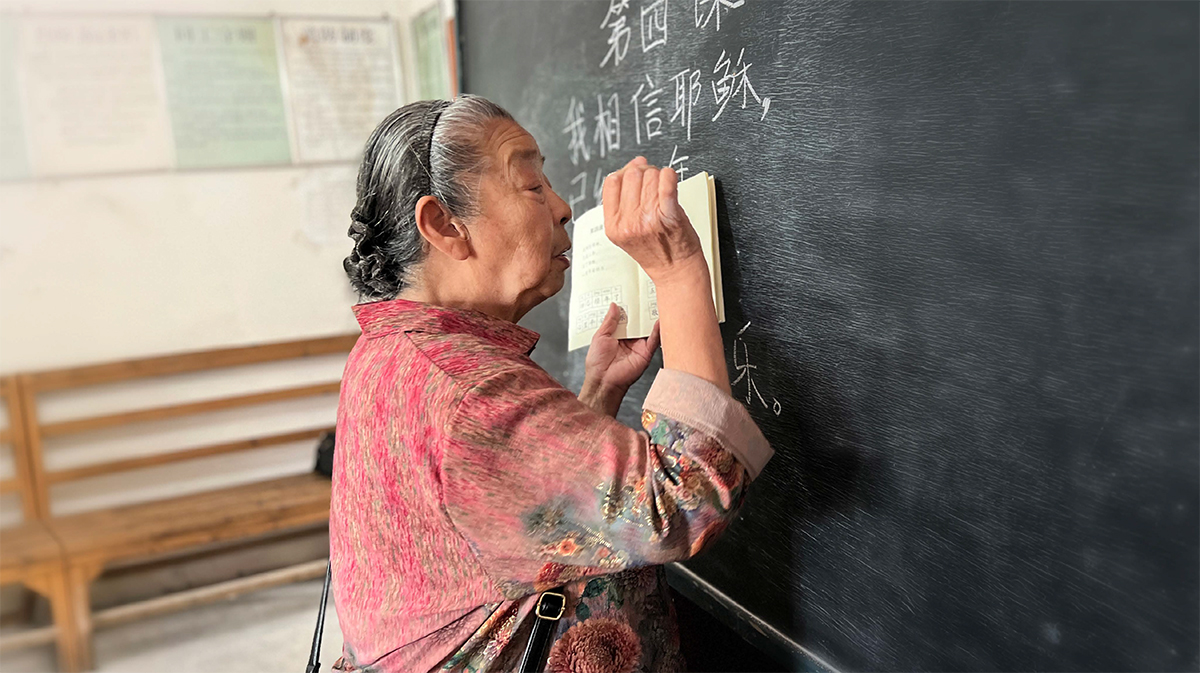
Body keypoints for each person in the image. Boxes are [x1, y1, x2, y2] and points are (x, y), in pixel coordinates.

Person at [330, 95, 773, 673]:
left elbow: (492, 508)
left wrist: (595, 400)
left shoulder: (392, 350)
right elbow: (685, 498)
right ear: (444, 225)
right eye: (532, 187)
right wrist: (678, 268)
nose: (562, 207)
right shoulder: (468, 389)